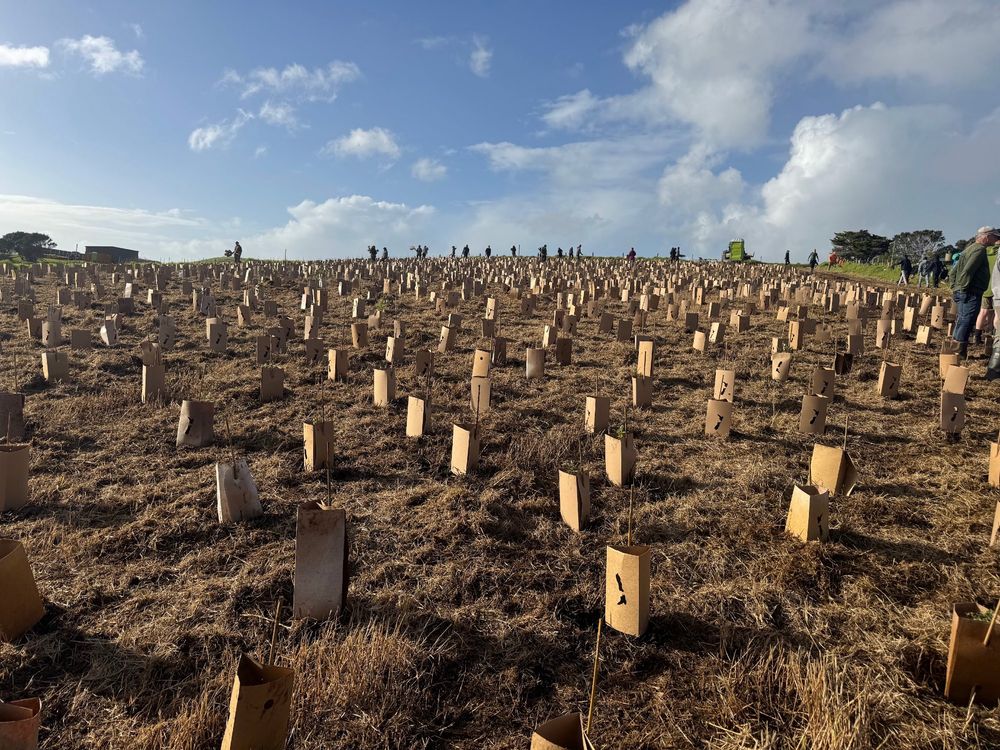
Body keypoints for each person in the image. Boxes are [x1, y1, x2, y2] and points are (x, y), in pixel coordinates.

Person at [951, 227, 996, 357]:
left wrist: (955, 287)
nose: (996, 239)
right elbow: (968, 271)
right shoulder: (980, 250)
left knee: (962, 319)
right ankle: (959, 352)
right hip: (970, 292)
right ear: (986, 237)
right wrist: (964, 289)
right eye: (994, 236)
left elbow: (954, 271)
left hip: (964, 290)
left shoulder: (969, 249)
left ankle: (955, 350)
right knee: (967, 320)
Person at [975, 238, 1000, 344]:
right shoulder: (998, 254)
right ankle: (995, 337)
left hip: (985, 287)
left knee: (983, 312)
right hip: (997, 288)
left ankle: (977, 337)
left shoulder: (984, 252)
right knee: (997, 314)